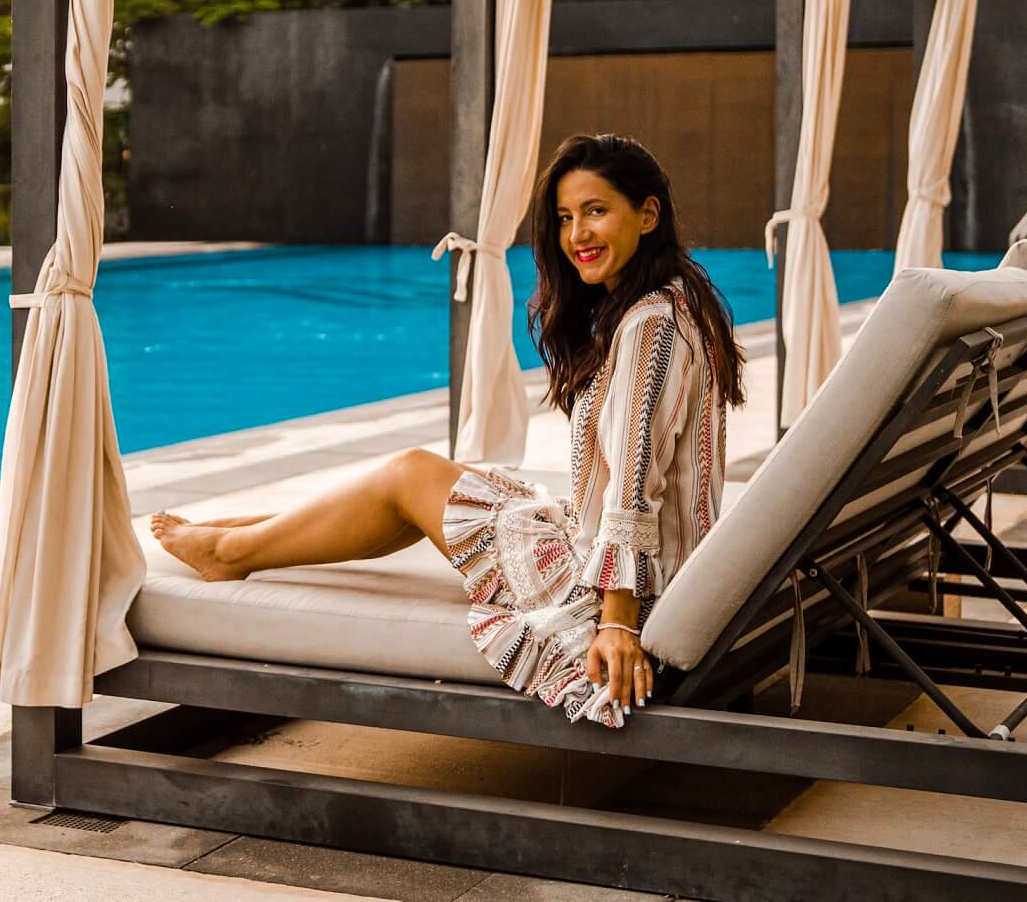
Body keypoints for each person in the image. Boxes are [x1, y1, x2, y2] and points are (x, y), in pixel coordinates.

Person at [151, 133, 745, 728]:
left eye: (596, 211)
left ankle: (229, 552)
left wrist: (617, 624)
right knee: (445, 489)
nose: (576, 235)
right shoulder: (679, 300)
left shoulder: (649, 326)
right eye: (565, 217)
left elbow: (633, 488)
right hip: (649, 568)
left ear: (647, 214)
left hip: (620, 598)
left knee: (413, 474)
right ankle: (252, 532)